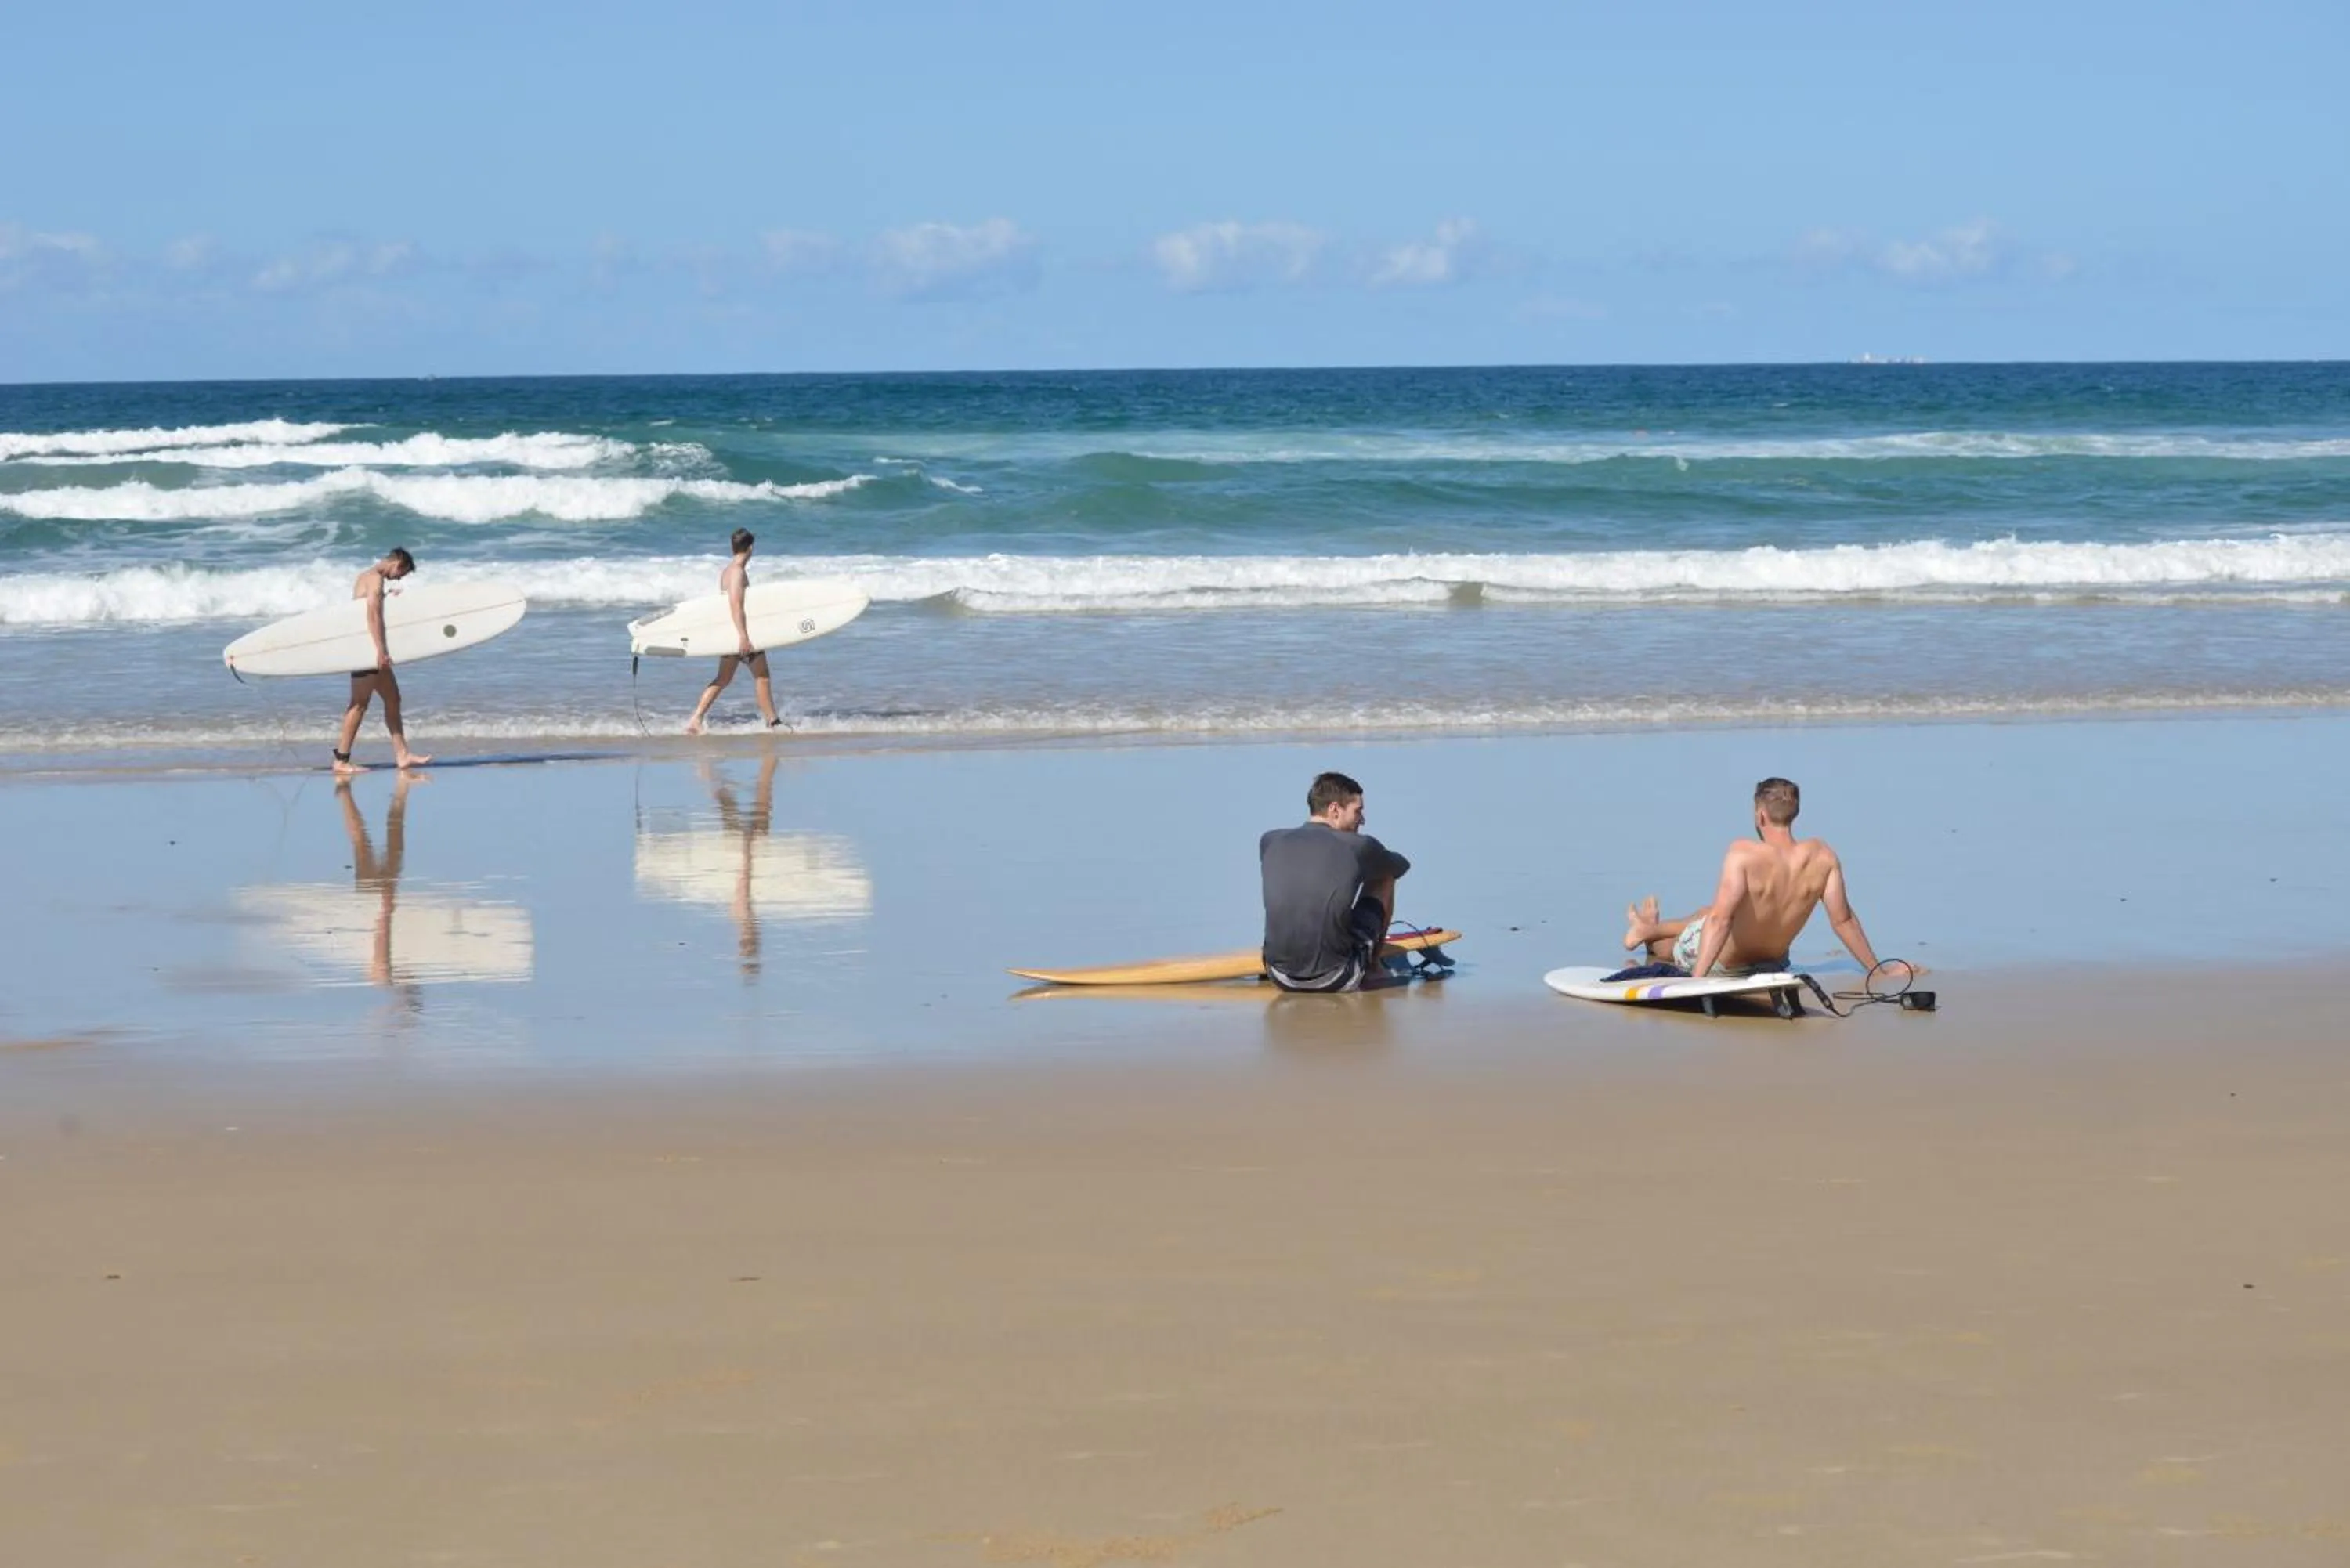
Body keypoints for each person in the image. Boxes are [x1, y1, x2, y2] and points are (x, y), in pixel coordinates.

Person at [1622, 776, 1882, 977]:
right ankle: (1650, 929)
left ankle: (1651, 937)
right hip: (1774, 963)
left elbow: (1721, 921)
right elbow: (1843, 920)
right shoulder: (1823, 856)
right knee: (1708, 912)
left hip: (1725, 965)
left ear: (1760, 815)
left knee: (1678, 942)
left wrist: (1696, 980)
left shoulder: (1743, 853)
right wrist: (1878, 970)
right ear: (1795, 814)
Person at [1260, 771, 1412, 992]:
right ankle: (1374, 967)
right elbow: (1400, 867)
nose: (1362, 820)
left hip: (1279, 976)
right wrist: (1366, 862)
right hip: (1337, 977)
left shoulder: (1269, 840)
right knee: (1384, 877)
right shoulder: (1358, 846)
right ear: (1334, 809)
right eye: (1357, 811)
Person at [334, 547, 430, 775]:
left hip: (366, 649)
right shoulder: (376, 580)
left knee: (393, 699)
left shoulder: (365, 577)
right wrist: (381, 650)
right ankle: (341, 760)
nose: (399, 578)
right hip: (367, 652)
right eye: (401, 573)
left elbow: (368, 608)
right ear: (396, 562)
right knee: (358, 704)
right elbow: (372, 615)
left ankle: (403, 755)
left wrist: (388, 599)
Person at [685, 528, 783, 735]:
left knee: (723, 678)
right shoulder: (738, 572)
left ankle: (696, 719)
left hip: (731, 633)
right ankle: (773, 723)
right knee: (762, 676)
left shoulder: (727, 571)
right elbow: (735, 605)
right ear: (750, 548)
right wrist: (744, 637)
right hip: (740, 634)